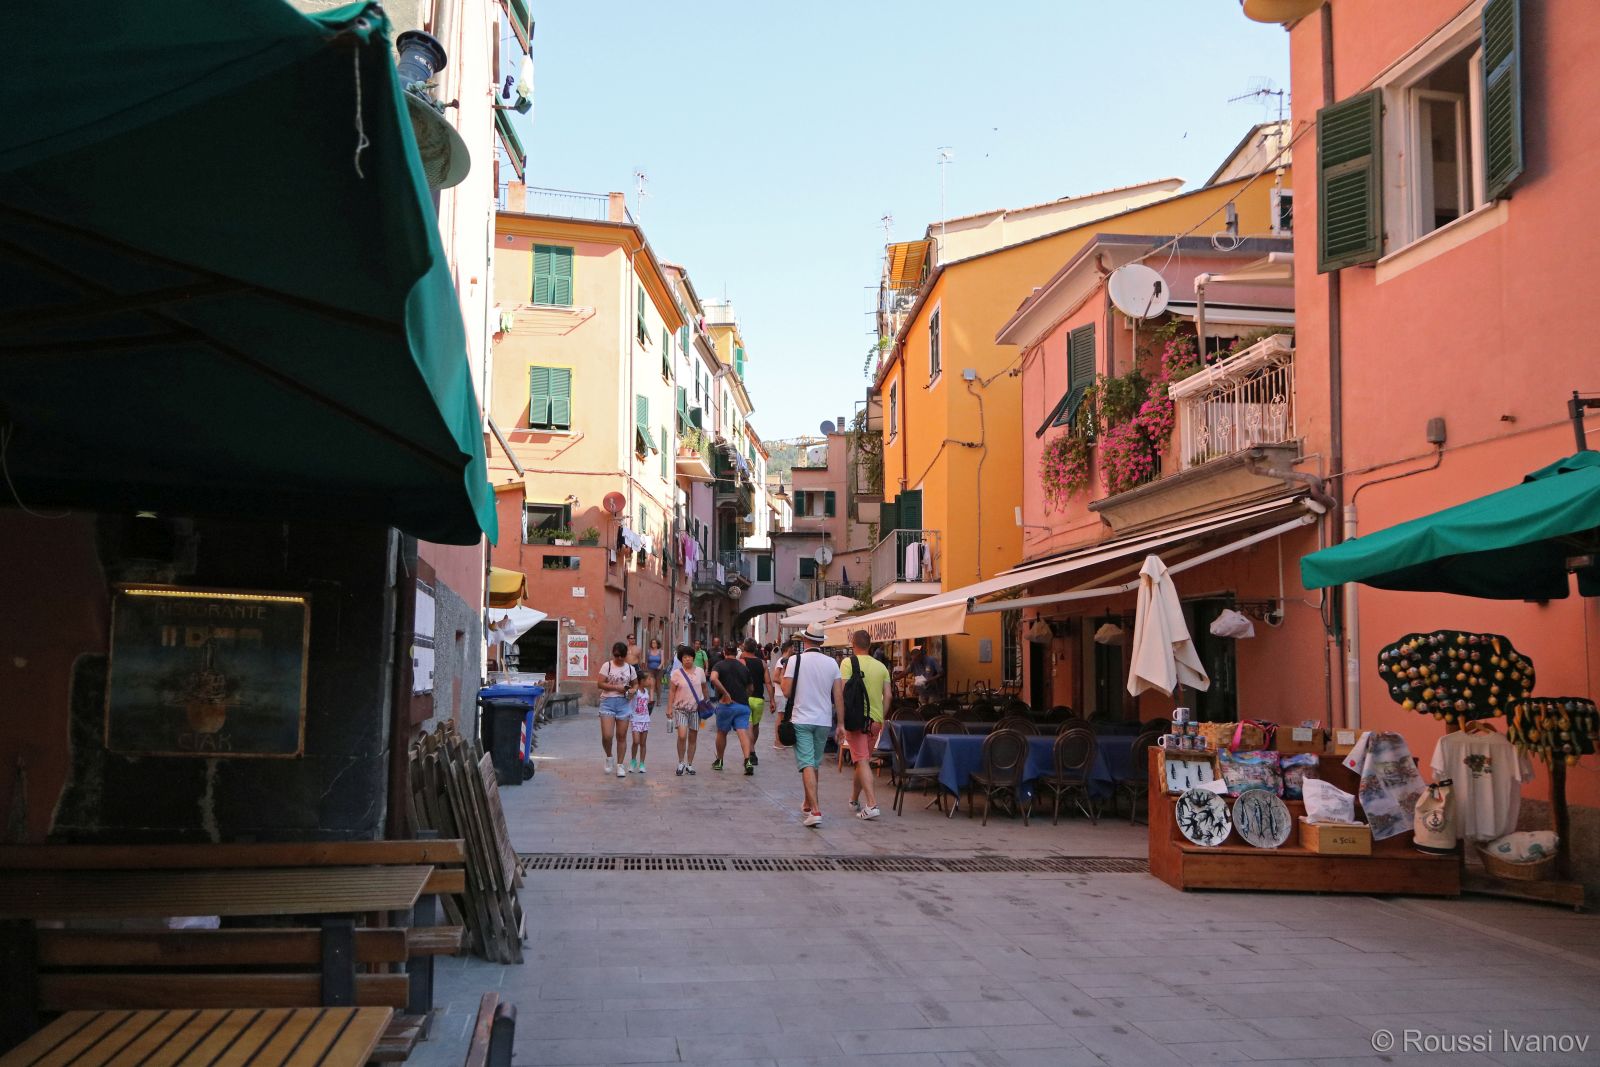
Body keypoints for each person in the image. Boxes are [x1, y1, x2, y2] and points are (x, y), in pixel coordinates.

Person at [782, 624, 843, 827]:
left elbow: (786, 691)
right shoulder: (832, 663)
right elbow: (838, 696)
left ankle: (815, 810)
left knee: (807, 763)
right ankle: (808, 803)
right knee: (814, 764)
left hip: (802, 718)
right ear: (821, 642)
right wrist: (841, 724)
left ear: (805, 640)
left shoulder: (795, 660)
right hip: (823, 720)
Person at [839, 630, 893, 820]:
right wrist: (881, 716)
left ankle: (872, 804)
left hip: (856, 720)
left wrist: (840, 720)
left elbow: (843, 692)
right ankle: (854, 799)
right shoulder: (881, 667)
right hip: (875, 721)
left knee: (861, 760)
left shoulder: (847, 663)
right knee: (862, 760)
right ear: (870, 645)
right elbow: (888, 696)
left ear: (853, 645)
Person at [709, 645, 755, 775]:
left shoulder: (719, 665)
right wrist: (745, 697)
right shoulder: (744, 667)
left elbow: (713, 678)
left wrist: (725, 692)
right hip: (742, 705)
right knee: (742, 732)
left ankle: (719, 760)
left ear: (724, 653)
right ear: (736, 653)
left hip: (726, 705)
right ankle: (747, 760)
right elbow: (751, 688)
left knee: (721, 732)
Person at [597, 641, 637, 778]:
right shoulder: (607, 666)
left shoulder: (630, 669)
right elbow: (599, 683)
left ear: (626, 655)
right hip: (607, 702)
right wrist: (616, 688)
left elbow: (635, 684)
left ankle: (620, 765)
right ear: (613, 654)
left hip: (624, 703)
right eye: (616, 655)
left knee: (621, 735)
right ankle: (609, 756)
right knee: (607, 736)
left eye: (622, 656)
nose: (619, 658)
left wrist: (633, 690)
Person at [666, 645, 706, 776]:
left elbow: (704, 687)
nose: (687, 659)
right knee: (682, 735)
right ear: (681, 659)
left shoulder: (700, 671)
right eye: (684, 657)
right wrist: (669, 707)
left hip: (696, 709)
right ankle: (681, 762)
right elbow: (672, 691)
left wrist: (706, 702)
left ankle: (690, 764)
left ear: (693, 658)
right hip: (681, 709)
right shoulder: (676, 673)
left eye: (689, 657)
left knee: (693, 737)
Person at [739, 639, 769, 763]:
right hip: (759, 699)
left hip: (746, 697)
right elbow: (768, 682)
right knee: (755, 726)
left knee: (749, 726)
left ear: (745, 647)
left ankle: (751, 752)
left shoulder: (742, 662)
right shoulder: (762, 663)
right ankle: (752, 749)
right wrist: (772, 700)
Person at [626, 670, 653, 774]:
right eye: (648, 679)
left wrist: (651, 690)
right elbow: (628, 696)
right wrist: (631, 690)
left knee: (643, 743)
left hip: (645, 720)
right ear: (642, 681)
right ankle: (633, 760)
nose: (650, 681)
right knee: (636, 741)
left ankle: (642, 763)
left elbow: (649, 703)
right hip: (635, 719)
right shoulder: (636, 691)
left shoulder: (646, 691)